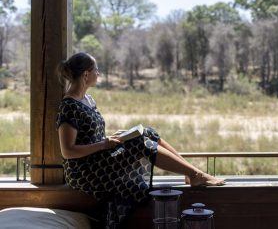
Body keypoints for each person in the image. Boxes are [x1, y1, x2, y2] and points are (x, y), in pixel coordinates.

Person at [56, 52, 224, 227]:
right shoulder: (69, 106)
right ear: (86, 75)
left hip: (98, 157)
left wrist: (114, 137)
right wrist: (105, 143)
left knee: (147, 133)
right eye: (96, 70)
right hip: (84, 171)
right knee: (140, 143)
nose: (98, 73)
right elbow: (68, 151)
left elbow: (89, 136)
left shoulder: (87, 100)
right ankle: (196, 175)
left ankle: (191, 173)